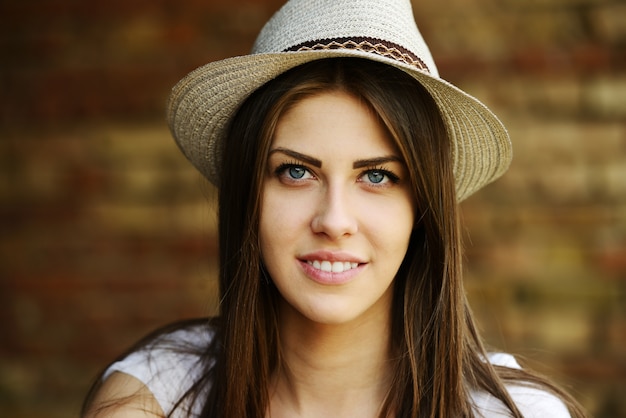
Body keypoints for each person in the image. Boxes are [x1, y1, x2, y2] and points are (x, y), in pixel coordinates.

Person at [82, 0, 588, 417]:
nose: (335, 221)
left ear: (422, 209)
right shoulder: (154, 400)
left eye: (377, 176)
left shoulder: (515, 413)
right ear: (248, 194)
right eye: (296, 171)